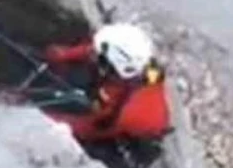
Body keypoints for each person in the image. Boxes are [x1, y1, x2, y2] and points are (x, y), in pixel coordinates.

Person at [42, 23, 172, 144]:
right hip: (114, 91)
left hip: (124, 133)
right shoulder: (139, 63)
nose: (93, 56)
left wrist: (41, 117)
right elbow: (99, 50)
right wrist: (65, 55)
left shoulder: (131, 112)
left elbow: (85, 129)